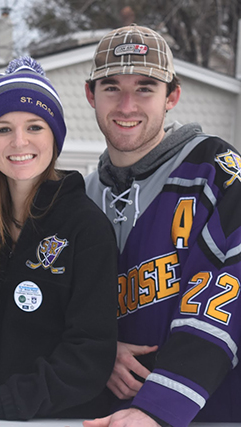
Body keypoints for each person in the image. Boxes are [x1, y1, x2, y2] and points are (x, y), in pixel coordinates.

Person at [0, 56, 118, 420]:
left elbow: (89, 352)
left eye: (35, 127)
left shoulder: (86, 227)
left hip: (60, 418)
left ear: (54, 138)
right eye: (3, 129)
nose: (19, 142)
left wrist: (5, 402)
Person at [83, 25, 241, 427]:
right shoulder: (82, 195)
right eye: (112, 88)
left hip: (210, 413)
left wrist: (159, 407)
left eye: (145, 88)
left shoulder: (215, 171)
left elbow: (226, 293)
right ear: (90, 95)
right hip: (108, 416)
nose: (127, 105)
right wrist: (98, 350)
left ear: (172, 96)